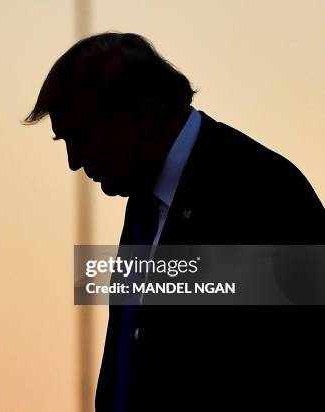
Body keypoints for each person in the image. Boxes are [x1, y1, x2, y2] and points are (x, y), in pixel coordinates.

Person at [23, 32, 325, 411]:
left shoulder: (261, 191)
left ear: (143, 114)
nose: (74, 161)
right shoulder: (146, 203)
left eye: (82, 136)